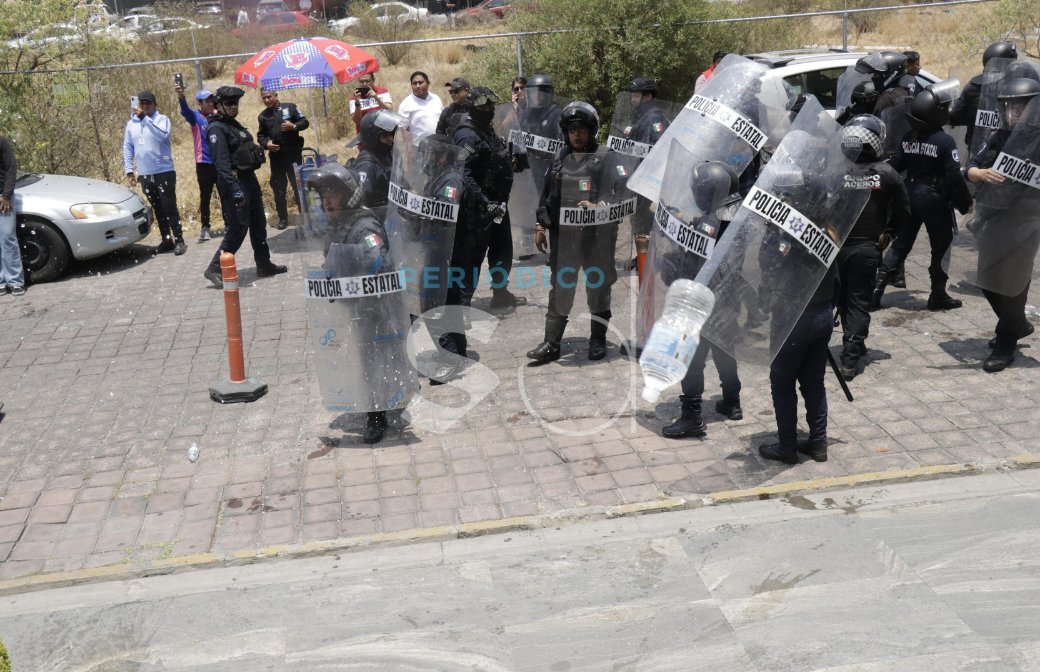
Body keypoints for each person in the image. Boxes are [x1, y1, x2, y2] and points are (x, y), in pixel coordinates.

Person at [305, 163, 402, 443]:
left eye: (332, 195)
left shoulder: (363, 226)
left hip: (373, 308)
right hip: (357, 307)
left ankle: (377, 416)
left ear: (348, 195)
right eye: (323, 197)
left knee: (372, 361)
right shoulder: (340, 225)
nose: (327, 202)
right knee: (365, 360)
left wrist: (355, 278)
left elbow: (380, 263)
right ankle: (377, 402)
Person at [527, 101, 626, 363]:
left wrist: (599, 206)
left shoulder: (606, 156)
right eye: (572, 130)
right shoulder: (559, 157)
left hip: (597, 238)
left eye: (581, 129)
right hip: (565, 238)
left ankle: (597, 340)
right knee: (561, 287)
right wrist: (540, 225)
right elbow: (547, 192)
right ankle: (551, 343)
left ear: (591, 130)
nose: (577, 135)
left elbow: (620, 193)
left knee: (598, 287)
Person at [659, 162, 743, 439]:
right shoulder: (735, 218)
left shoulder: (708, 224)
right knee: (724, 353)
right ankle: (732, 402)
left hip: (704, 303)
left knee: (691, 361)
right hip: (728, 300)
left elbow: (691, 263)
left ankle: (692, 416)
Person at [872, 84, 973, 312]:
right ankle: (938, 295)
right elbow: (954, 176)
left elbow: (895, 166)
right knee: (941, 247)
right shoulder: (944, 141)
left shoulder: (909, 136)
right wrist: (964, 202)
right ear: (936, 112)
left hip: (909, 197)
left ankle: (875, 293)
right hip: (935, 200)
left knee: (900, 246)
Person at [965, 76, 1040, 372]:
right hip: (995, 217)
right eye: (1007, 109)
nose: (1011, 115)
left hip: (1029, 220)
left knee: (1013, 281)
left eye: (1018, 109)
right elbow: (971, 165)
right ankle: (1017, 322)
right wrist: (977, 174)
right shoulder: (1000, 137)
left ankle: (1006, 340)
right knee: (987, 279)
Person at [834, 115, 911, 381]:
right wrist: (889, 233)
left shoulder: (834, 171)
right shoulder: (887, 174)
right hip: (866, 250)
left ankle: (853, 344)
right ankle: (850, 357)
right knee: (857, 301)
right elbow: (904, 211)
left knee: (844, 297)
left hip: (835, 248)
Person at [440, 86, 514, 362]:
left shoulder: (486, 131)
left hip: (491, 213)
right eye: (483, 105)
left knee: (488, 266)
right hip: (472, 217)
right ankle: (450, 347)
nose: (489, 109)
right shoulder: (466, 134)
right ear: (472, 107)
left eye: (491, 105)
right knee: (462, 281)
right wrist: (484, 202)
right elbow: (463, 174)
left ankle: (455, 345)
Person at [203, 86, 287, 286]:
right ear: (219, 105)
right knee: (238, 227)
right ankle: (215, 267)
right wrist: (235, 190)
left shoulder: (233, 125)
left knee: (258, 223)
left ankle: (263, 263)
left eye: (236, 103)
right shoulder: (216, 128)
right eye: (229, 103)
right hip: (234, 182)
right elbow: (222, 165)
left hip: (249, 179)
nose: (234, 107)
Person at [758, 264, 837, 464]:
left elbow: (771, 270)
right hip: (823, 311)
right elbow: (838, 277)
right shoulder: (830, 232)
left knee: (782, 384)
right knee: (814, 383)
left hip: (792, 315)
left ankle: (787, 447)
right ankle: (818, 444)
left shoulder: (787, 236)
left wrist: (763, 301)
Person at [123, 90, 186, 256]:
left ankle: (179, 239)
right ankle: (167, 240)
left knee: (169, 207)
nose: (145, 106)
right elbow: (128, 147)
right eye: (142, 103)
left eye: (148, 103)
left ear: (155, 105)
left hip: (163, 171)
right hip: (145, 174)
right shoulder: (131, 124)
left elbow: (162, 136)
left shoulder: (162, 119)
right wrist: (129, 170)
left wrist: (145, 119)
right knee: (157, 208)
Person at [951, 41, 1018, 152]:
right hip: (1005, 150)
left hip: (976, 149)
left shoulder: (972, 86)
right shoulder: (1012, 85)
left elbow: (956, 115)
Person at [257, 88, 309, 230]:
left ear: (275, 95)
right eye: (264, 98)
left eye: (269, 97)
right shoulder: (263, 116)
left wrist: (293, 126)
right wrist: (267, 144)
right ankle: (283, 219)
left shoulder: (290, 107)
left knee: (298, 187)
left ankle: (305, 215)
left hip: (293, 155)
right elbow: (261, 136)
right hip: (277, 158)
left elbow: (305, 122)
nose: (267, 100)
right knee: (279, 189)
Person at [176, 86, 218, 241]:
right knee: (205, 197)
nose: (210, 104)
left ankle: (229, 224)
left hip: (218, 162)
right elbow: (185, 110)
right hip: (203, 163)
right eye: (206, 101)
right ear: (200, 103)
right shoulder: (195, 117)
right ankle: (205, 227)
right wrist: (181, 97)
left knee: (224, 193)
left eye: (211, 101)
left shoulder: (217, 115)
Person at [349, 109, 403, 209]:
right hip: (378, 218)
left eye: (391, 134)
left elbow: (401, 182)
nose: (390, 139)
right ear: (372, 137)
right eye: (385, 135)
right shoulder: (367, 164)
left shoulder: (388, 155)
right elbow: (361, 202)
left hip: (393, 214)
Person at [0, 131, 23, 296]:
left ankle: (15, 281)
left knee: (8, 238)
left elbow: (10, 168)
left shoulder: (1, 141)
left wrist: (6, 195)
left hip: (3, 197)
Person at [397, 71, 443, 146]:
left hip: (439, 145)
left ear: (428, 83)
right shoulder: (406, 104)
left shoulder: (436, 98)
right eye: (414, 83)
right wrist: (409, 149)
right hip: (418, 148)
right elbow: (403, 129)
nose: (418, 86)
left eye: (421, 82)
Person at [349, 72, 393, 143]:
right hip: (366, 137)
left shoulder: (383, 91)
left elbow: (389, 111)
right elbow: (357, 121)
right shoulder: (354, 97)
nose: (364, 84)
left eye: (367, 81)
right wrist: (357, 103)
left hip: (384, 135)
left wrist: (376, 98)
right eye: (361, 81)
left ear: (373, 80)